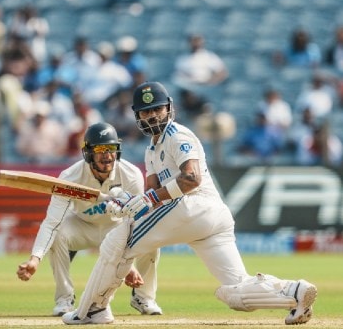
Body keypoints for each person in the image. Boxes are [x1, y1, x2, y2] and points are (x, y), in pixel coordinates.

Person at [61, 82, 317, 325]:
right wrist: (124, 201)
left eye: (156, 109)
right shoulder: (152, 150)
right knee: (235, 290)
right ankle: (295, 292)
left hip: (193, 205)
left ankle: (93, 309)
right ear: (137, 116)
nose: (152, 116)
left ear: (169, 108)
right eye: (145, 112)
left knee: (117, 241)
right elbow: (150, 195)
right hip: (210, 219)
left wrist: (145, 202)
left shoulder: (177, 135)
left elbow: (191, 178)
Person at [16, 122, 163, 317]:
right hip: (82, 226)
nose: (107, 155)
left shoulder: (131, 174)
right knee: (59, 233)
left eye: (111, 149)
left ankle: (144, 297)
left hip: (116, 229)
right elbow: (51, 223)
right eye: (100, 149)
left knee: (150, 236)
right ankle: (64, 300)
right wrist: (34, 259)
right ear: (88, 153)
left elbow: (134, 221)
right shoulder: (70, 176)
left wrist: (128, 265)